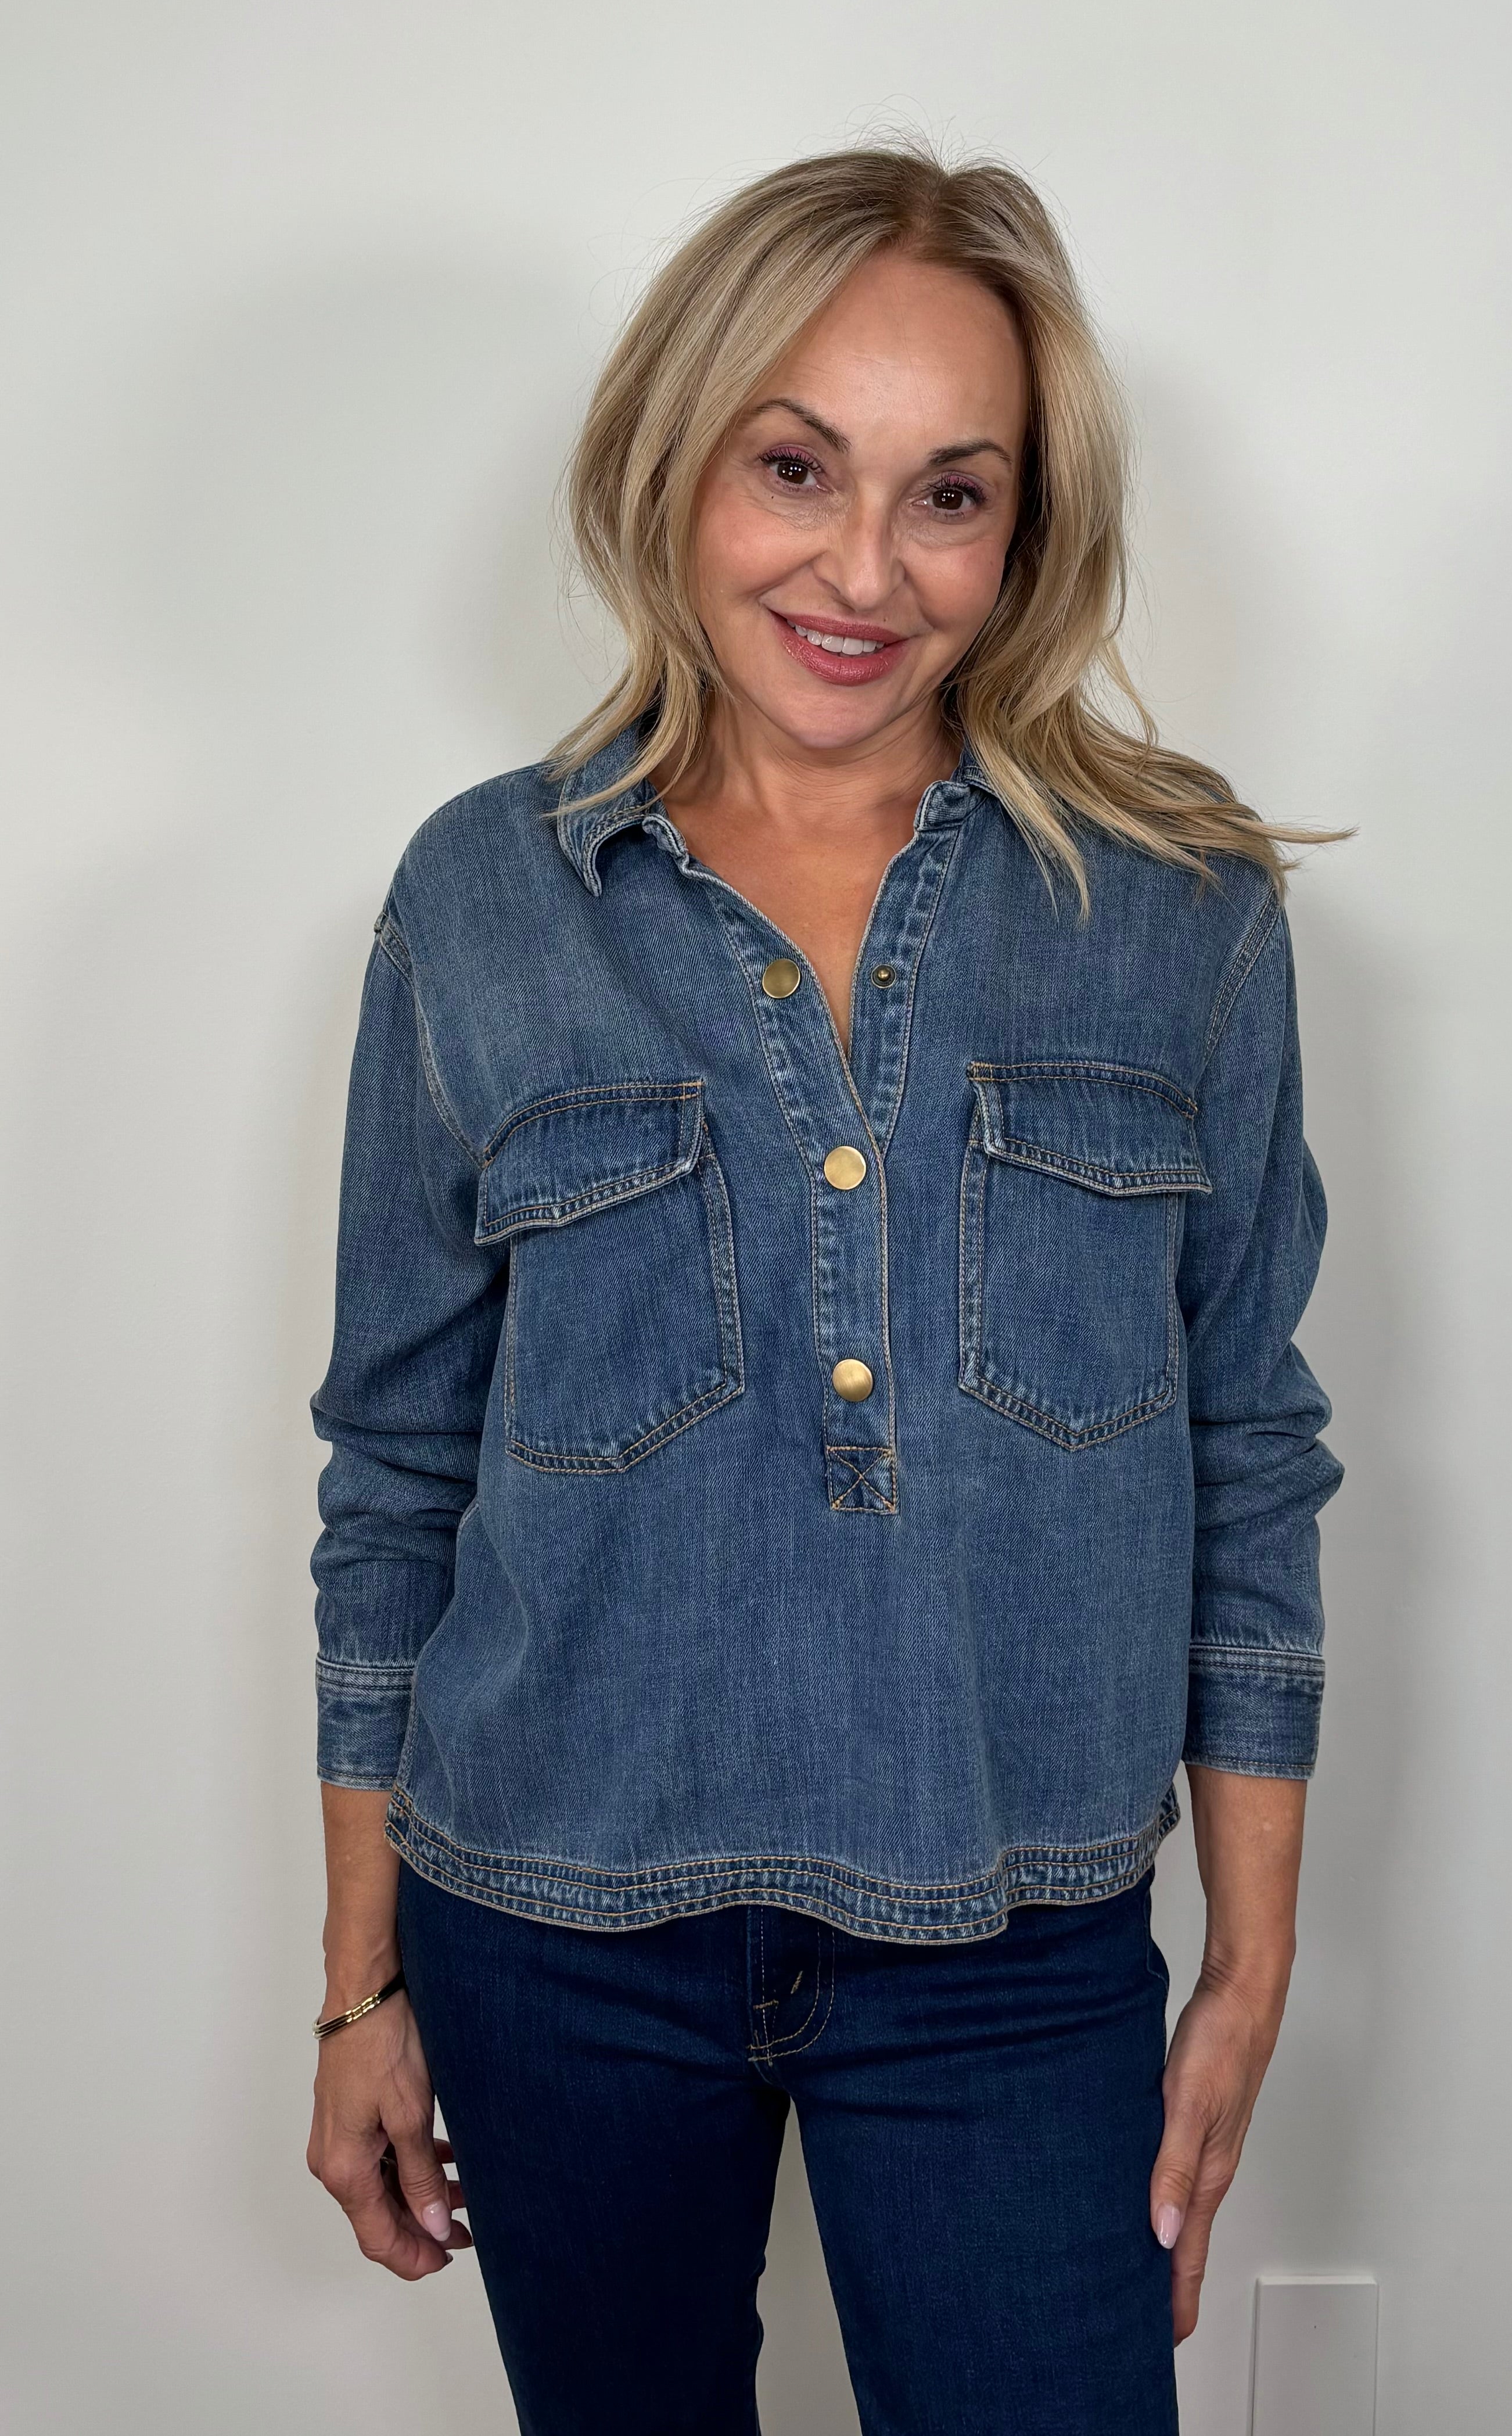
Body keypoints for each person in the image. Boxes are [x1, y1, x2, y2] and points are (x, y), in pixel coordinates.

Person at [306, 142, 1344, 2436]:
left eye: (949, 494)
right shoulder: (482, 895)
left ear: (1024, 530)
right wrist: (356, 1978)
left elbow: (1248, 1441)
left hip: (1015, 1947)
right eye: (797, 466)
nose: (863, 568)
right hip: (547, 1936)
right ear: (679, 455)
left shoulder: (1177, 905)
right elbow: (393, 1468)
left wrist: (1253, 1963)